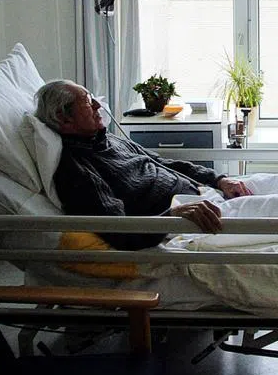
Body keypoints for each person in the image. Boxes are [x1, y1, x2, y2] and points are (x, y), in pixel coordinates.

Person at [34, 79, 252, 250]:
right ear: (64, 118)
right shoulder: (77, 170)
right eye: (87, 102)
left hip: (204, 197)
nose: (98, 105)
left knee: (273, 185)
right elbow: (120, 231)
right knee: (273, 210)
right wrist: (173, 216)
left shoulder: (108, 140)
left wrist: (219, 180)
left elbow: (162, 163)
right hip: (187, 223)